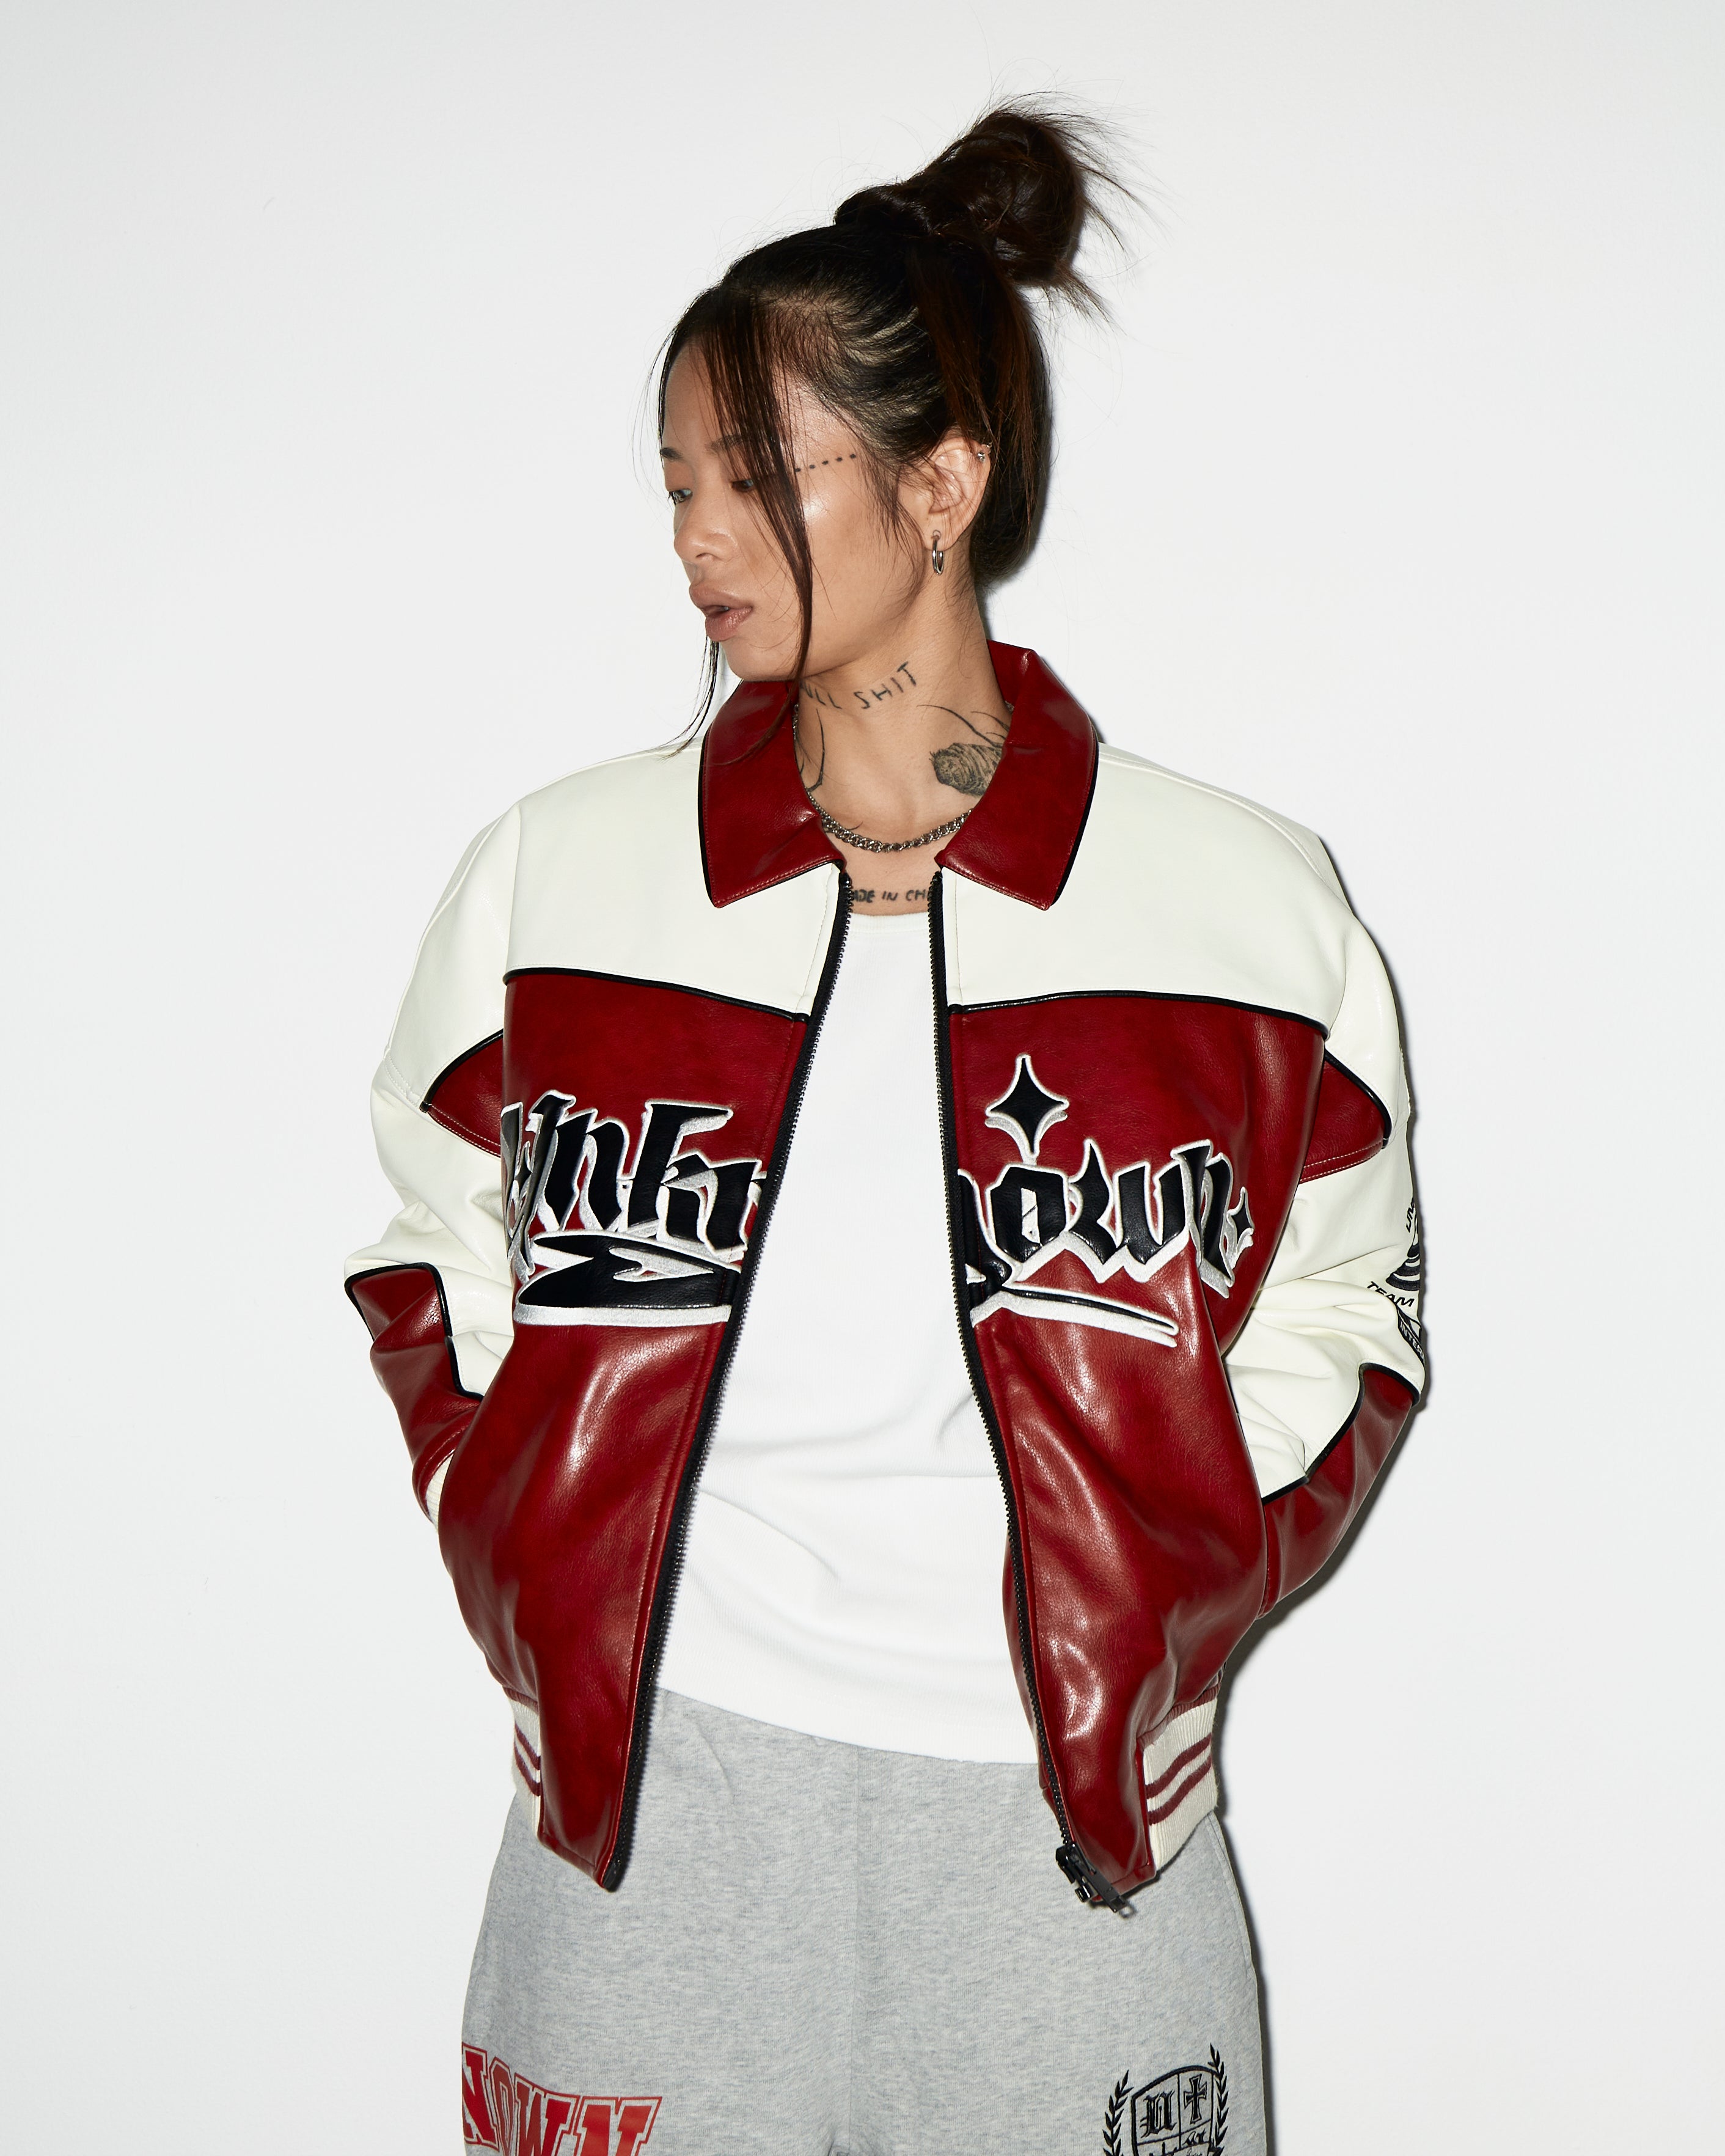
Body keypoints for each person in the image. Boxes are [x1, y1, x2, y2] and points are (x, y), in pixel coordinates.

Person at [345, 104, 1424, 2156]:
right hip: (646, 1833)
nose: (695, 542)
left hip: (1073, 1852)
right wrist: (529, 1559)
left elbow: (1347, 1304)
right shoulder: (560, 878)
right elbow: (431, 1243)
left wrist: (1187, 1581)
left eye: (755, 478)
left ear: (943, 483)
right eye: (678, 484)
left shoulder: (1245, 907)